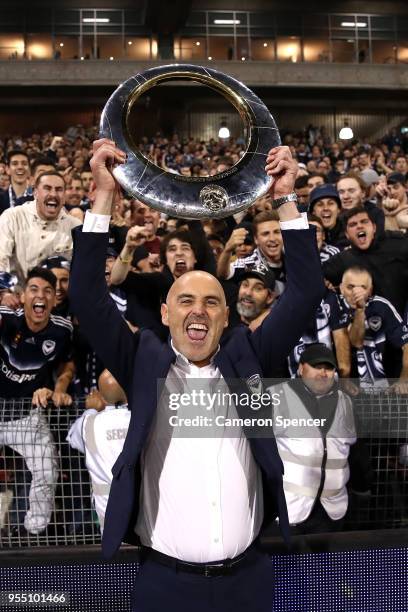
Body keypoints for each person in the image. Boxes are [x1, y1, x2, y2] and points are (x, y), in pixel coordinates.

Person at [69, 139, 324, 612]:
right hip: (164, 584)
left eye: (211, 302)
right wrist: (103, 196)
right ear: (165, 314)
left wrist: (286, 196)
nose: (198, 310)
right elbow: (86, 297)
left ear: (226, 318)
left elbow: (307, 292)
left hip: (247, 580)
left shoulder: (250, 356)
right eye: (185, 300)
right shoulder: (141, 359)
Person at [0, 267, 74, 535]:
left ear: (55, 299)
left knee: (46, 471)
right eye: (33, 289)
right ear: (23, 295)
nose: (40, 296)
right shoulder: (7, 318)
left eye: (47, 291)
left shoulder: (62, 330)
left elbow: (67, 362)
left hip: (27, 416)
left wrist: (57, 386)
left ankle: (33, 530)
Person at [269, 343, 371, 534]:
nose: (323, 373)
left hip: (332, 512)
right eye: (316, 366)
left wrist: (362, 488)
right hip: (290, 512)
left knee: (328, 564)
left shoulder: (345, 402)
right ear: (300, 368)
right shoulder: (276, 396)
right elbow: (258, 450)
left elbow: (357, 451)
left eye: (328, 368)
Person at [67, 369, 129, 532]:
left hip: (109, 522)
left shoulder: (87, 424)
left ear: (100, 396)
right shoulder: (142, 418)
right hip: (146, 513)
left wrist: (92, 409)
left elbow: (73, 440)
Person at [323, 206, 408, 316]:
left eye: (364, 222)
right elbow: (314, 279)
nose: (359, 226)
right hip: (368, 325)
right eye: (353, 224)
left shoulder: (396, 243)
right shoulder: (341, 260)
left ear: (374, 227)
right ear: (347, 235)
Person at [0, 171, 81, 284]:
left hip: (59, 296)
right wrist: (4, 292)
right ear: (35, 193)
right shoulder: (12, 217)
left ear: (64, 197)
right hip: (17, 294)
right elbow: (1, 258)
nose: (53, 194)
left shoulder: (75, 226)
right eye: (47, 188)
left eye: (59, 189)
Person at [339, 265, 408, 390]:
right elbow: (357, 342)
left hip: (383, 388)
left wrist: (404, 380)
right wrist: (360, 310)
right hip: (346, 387)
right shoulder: (334, 306)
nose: (356, 293)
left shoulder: (381, 306)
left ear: (370, 290)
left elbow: (406, 345)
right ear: (341, 288)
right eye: (350, 287)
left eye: (362, 288)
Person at [236, 266, 277, 331]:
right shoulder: (224, 317)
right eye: (245, 285)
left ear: (270, 297)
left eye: (258, 288)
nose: (248, 293)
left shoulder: (272, 331)